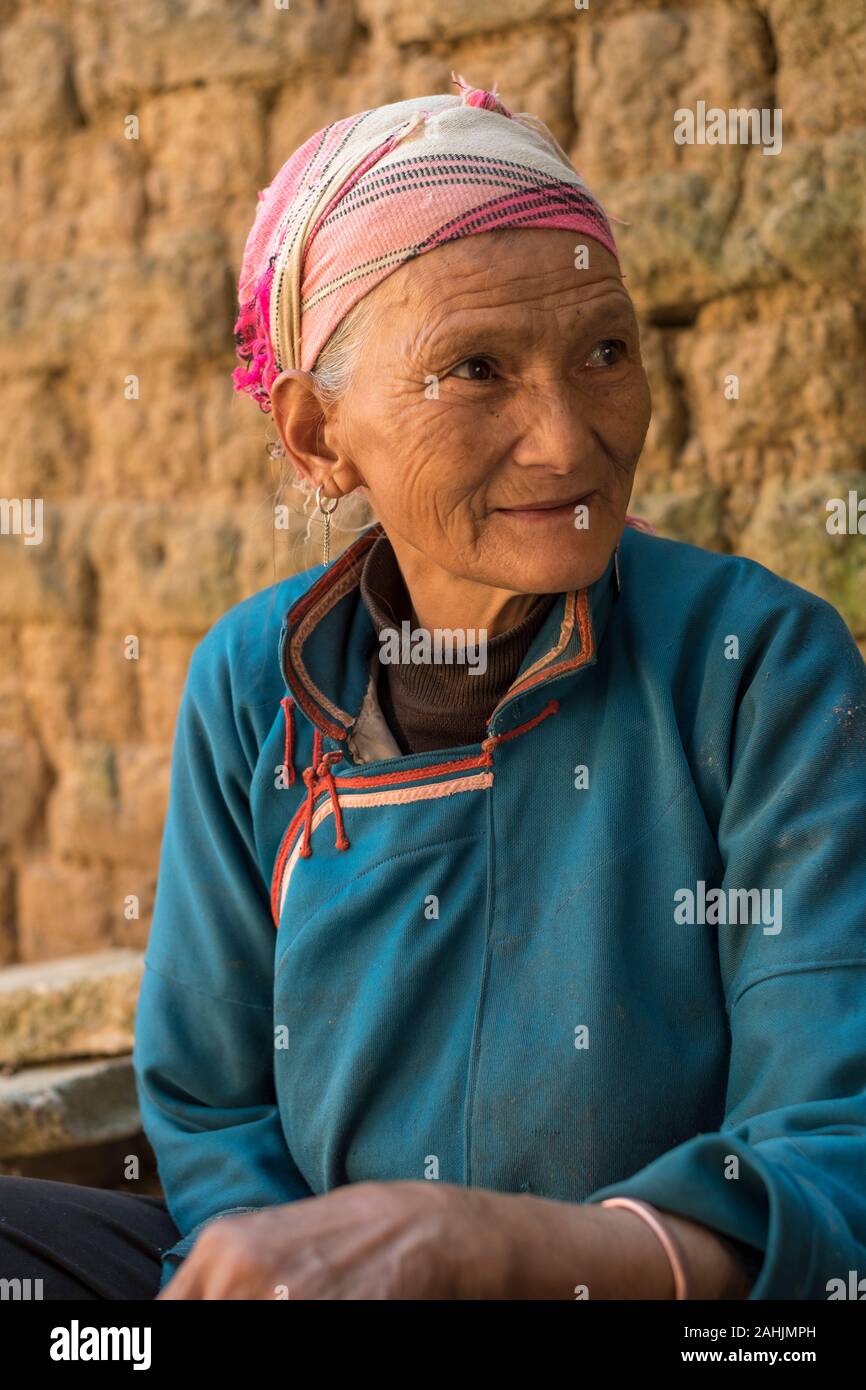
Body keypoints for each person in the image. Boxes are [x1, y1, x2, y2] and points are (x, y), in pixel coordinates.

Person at [2, 76, 865, 1301]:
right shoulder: (257, 686)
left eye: (603, 351)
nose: (566, 440)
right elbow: (210, 1104)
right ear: (316, 436)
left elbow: (834, 1155)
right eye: (473, 369)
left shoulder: (755, 667)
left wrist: (497, 1255)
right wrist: (285, 1265)